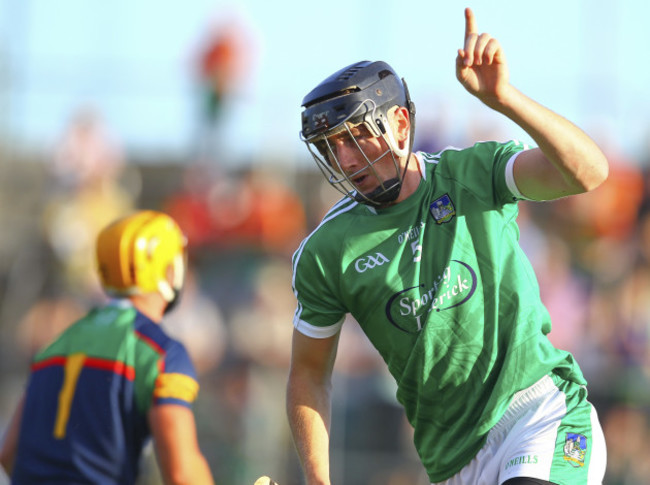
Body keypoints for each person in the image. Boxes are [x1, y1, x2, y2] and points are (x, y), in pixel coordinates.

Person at [287, 7, 608, 485]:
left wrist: (504, 98)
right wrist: (317, 480)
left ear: (398, 123)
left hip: (540, 414)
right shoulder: (326, 251)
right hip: (451, 461)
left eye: (357, 138)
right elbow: (309, 375)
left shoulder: (471, 175)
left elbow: (589, 172)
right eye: (335, 147)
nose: (347, 159)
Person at [0, 210, 215, 485]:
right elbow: (182, 475)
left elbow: (8, 453)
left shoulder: (55, 344)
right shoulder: (162, 353)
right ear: (169, 270)